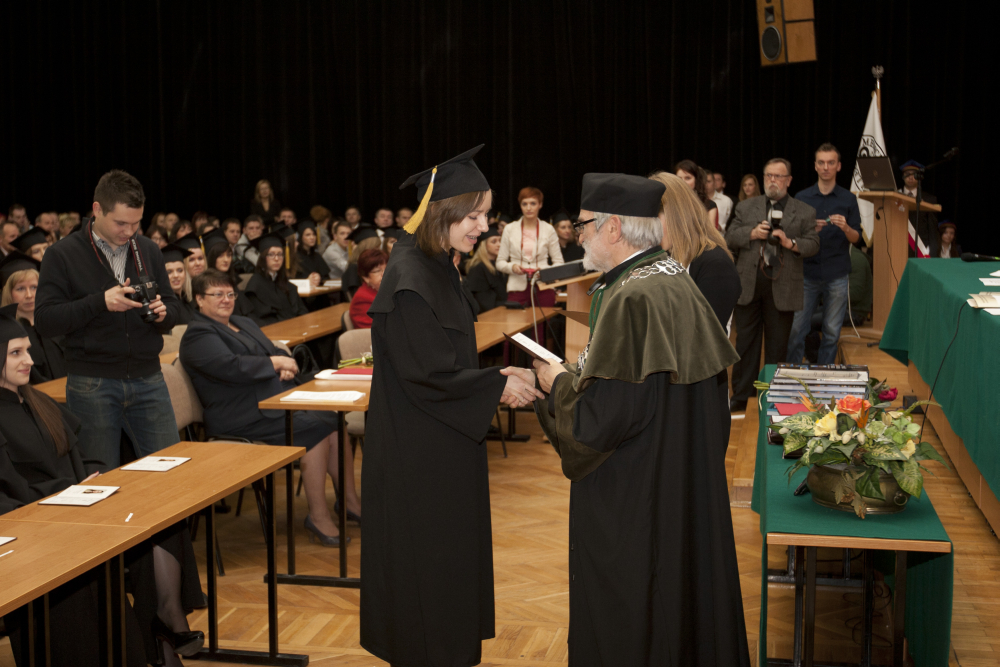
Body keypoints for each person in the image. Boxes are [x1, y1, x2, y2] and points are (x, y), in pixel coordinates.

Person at [531, 172, 747, 667]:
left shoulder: (633, 296)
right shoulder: (668, 276)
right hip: (672, 474)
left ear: (613, 229)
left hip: (634, 491)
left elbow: (602, 420)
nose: (578, 237)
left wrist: (556, 382)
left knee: (636, 613)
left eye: (583, 225)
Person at [361, 145, 544, 667]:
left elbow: (447, 357)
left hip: (444, 445)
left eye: (486, 215)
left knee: (451, 568)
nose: (484, 226)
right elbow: (428, 374)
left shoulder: (439, 265)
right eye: (474, 216)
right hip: (417, 457)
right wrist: (496, 387)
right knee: (427, 576)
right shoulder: (410, 279)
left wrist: (498, 376)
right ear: (442, 214)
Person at [0, 312, 207, 667]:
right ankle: (161, 635)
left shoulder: (37, 402)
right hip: (34, 528)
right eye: (16, 353)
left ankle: (164, 625)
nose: (30, 361)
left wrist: (95, 481)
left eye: (28, 351)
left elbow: (81, 457)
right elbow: (9, 494)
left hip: (74, 509)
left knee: (159, 521)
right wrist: (66, 491)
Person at [180, 270, 359, 544]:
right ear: (199, 299)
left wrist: (281, 363)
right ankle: (318, 516)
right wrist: (276, 364)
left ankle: (350, 502)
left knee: (333, 422)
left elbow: (272, 350)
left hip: (272, 399)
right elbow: (231, 367)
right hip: (239, 412)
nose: (226, 299)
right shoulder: (198, 334)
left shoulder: (242, 321)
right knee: (315, 429)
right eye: (217, 294)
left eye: (230, 294)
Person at [34, 169, 181, 466]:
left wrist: (163, 314)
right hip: (92, 383)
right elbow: (45, 320)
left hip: (148, 376)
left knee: (171, 471)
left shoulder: (148, 249)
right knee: (102, 480)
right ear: (97, 209)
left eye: (136, 223)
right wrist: (100, 302)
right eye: (121, 223)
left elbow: (174, 307)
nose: (129, 231)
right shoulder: (62, 254)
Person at [649, 171, 741, 445]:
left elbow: (701, 339)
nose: (648, 230)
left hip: (699, 397)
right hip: (667, 393)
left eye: (653, 219)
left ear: (675, 215)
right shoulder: (664, 258)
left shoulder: (714, 264)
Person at [725, 158, 819, 412]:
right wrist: (752, 233)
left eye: (778, 176)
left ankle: (773, 395)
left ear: (789, 180)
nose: (772, 181)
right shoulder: (746, 207)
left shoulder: (804, 211)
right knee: (745, 343)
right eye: (768, 176)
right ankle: (741, 396)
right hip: (749, 284)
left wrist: (790, 243)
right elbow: (729, 237)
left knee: (778, 346)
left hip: (783, 286)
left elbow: (813, 244)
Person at [787, 143, 862, 365]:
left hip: (837, 273)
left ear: (839, 166)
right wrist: (810, 231)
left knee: (831, 332)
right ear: (815, 166)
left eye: (831, 162)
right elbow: (792, 236)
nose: (826, 167)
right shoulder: (801, 197)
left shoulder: (848, 199)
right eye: (821, 162)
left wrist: (846, 227)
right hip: (807, 273)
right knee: (796, 329)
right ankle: (792, 372)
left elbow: (857, 238)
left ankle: (824, 374)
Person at [496, 187, 564, 311]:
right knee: (514, 322)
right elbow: (500, 262)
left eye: (533, 203)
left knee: (542, 323)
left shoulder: (548, 229)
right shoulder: (510, 229)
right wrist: (512, 267)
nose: (528, 208)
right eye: (524, 204)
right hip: (517, 287)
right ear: (520, 205)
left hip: (543, 286)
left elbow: (559, 263)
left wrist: (543, 271)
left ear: (540, 204)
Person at [244, 231, 309, 325]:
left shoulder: (284, 282)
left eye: (280, 254)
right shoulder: (255, 285)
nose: (276, 259)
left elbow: (301, 309)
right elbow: (259, 318)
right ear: (263, 257)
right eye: (271, 254)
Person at [899, 160, 939, 257]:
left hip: (920, 250)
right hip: (898, 246)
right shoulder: (894, 197)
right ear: (903, 176)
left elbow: (932, 231)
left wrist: (933, 254)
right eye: (907, 174)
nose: (911, 177)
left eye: (914, 174)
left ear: (920, 177)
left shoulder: (929, 200)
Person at [464, 226, 507, 312]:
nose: (499, 244)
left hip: (503, 311)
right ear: (483, 245)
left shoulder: (500, 265)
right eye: (494, 241)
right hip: (488, 314)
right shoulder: (477, 268)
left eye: (500, 241)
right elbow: (484, 302)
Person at [675, 159, 719, 229]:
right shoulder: (669, 202)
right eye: (679, 178)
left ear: (696, 180)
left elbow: (711, 233)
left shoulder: (709, 205)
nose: (682, 182)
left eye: (687, 178)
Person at [349, 248, 387, 328]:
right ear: (365, 277)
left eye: (387, 269)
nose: (385, 274)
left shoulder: (389, 290)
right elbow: (377, 330)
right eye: (378, 271)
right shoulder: (362, 299)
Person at [162, 243, 198, 325]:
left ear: (185, 273)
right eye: (169, 272)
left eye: (180, 270)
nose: (176, 275)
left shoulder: (189, 302)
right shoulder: (163, 306)